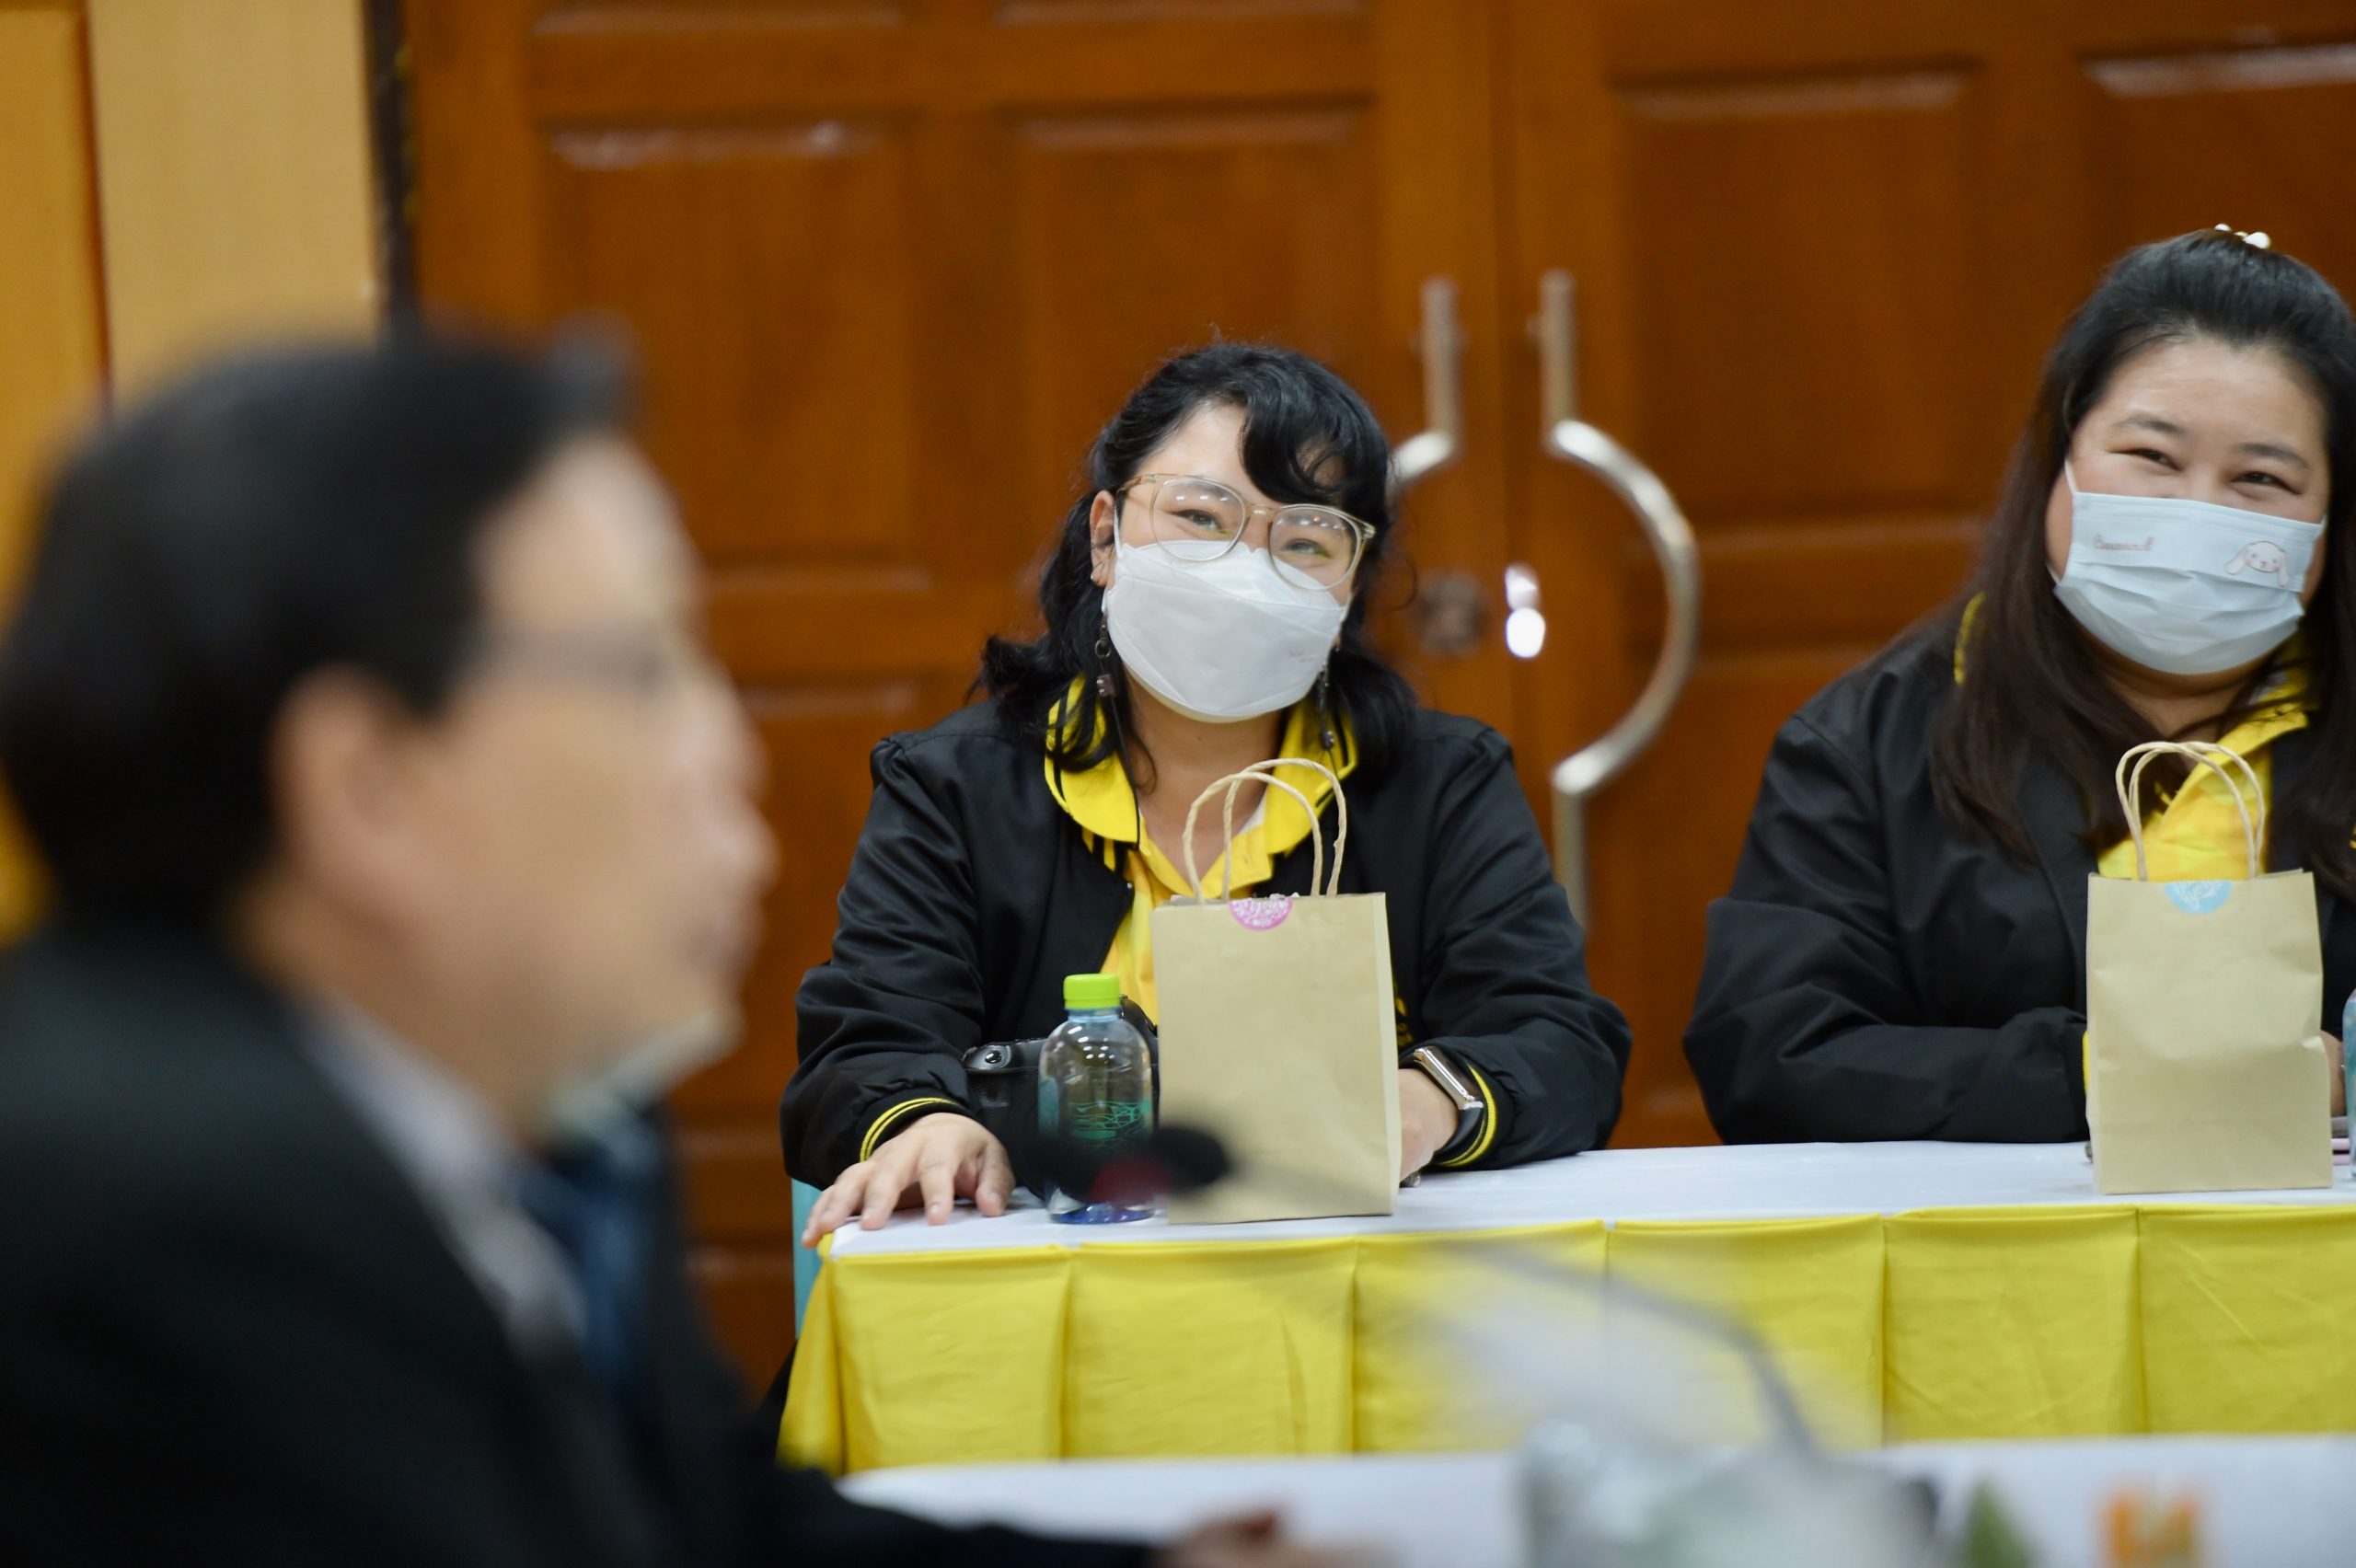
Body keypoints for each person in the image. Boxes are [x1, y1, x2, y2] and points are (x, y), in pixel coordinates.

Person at [0, 334, 1343, 1566]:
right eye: (645, 672)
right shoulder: (166, 1222)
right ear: (370, 788)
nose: (732, 756)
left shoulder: (566, 1122)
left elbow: (716, 1525)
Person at [789, 342, 1631, 1239]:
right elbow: (862, 1051)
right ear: (1106, 537)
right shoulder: (955, 789)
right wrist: (927, 1122)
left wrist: (1426, 1101)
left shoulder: (1438, 783)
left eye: (1304, 541)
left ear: (1348, 588)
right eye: (1200, 517)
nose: (1247, 571)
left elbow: (1561, 1044)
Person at [1685, 228, 2356, 1143]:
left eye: (2260, 478)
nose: (2197, 511)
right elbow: (1770, 1058)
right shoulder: (1871, 743)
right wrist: (2112, 1074)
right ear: (2058, 456)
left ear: (2331, 518)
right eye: (2152, 457)